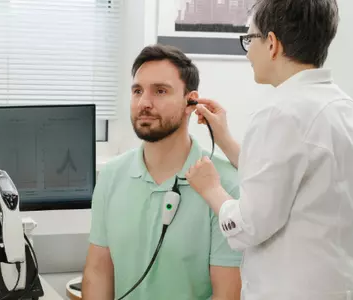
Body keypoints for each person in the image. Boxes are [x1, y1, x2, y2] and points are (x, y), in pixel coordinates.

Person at [185, 0, 353, 299]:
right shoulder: (342, 107)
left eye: (249, 39)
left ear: (272, 44)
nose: (248, 53)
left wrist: (211, 188)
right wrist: (225, 138)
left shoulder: (280, 113)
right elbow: (285, 177)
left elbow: (248, 227)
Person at [81, 44, 242, 300]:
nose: (144, 103)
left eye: (160, 91)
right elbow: (99, 271)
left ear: (191, 102)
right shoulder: (111, 176)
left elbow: (227, 293)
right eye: (137, 91)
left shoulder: (225, 185)